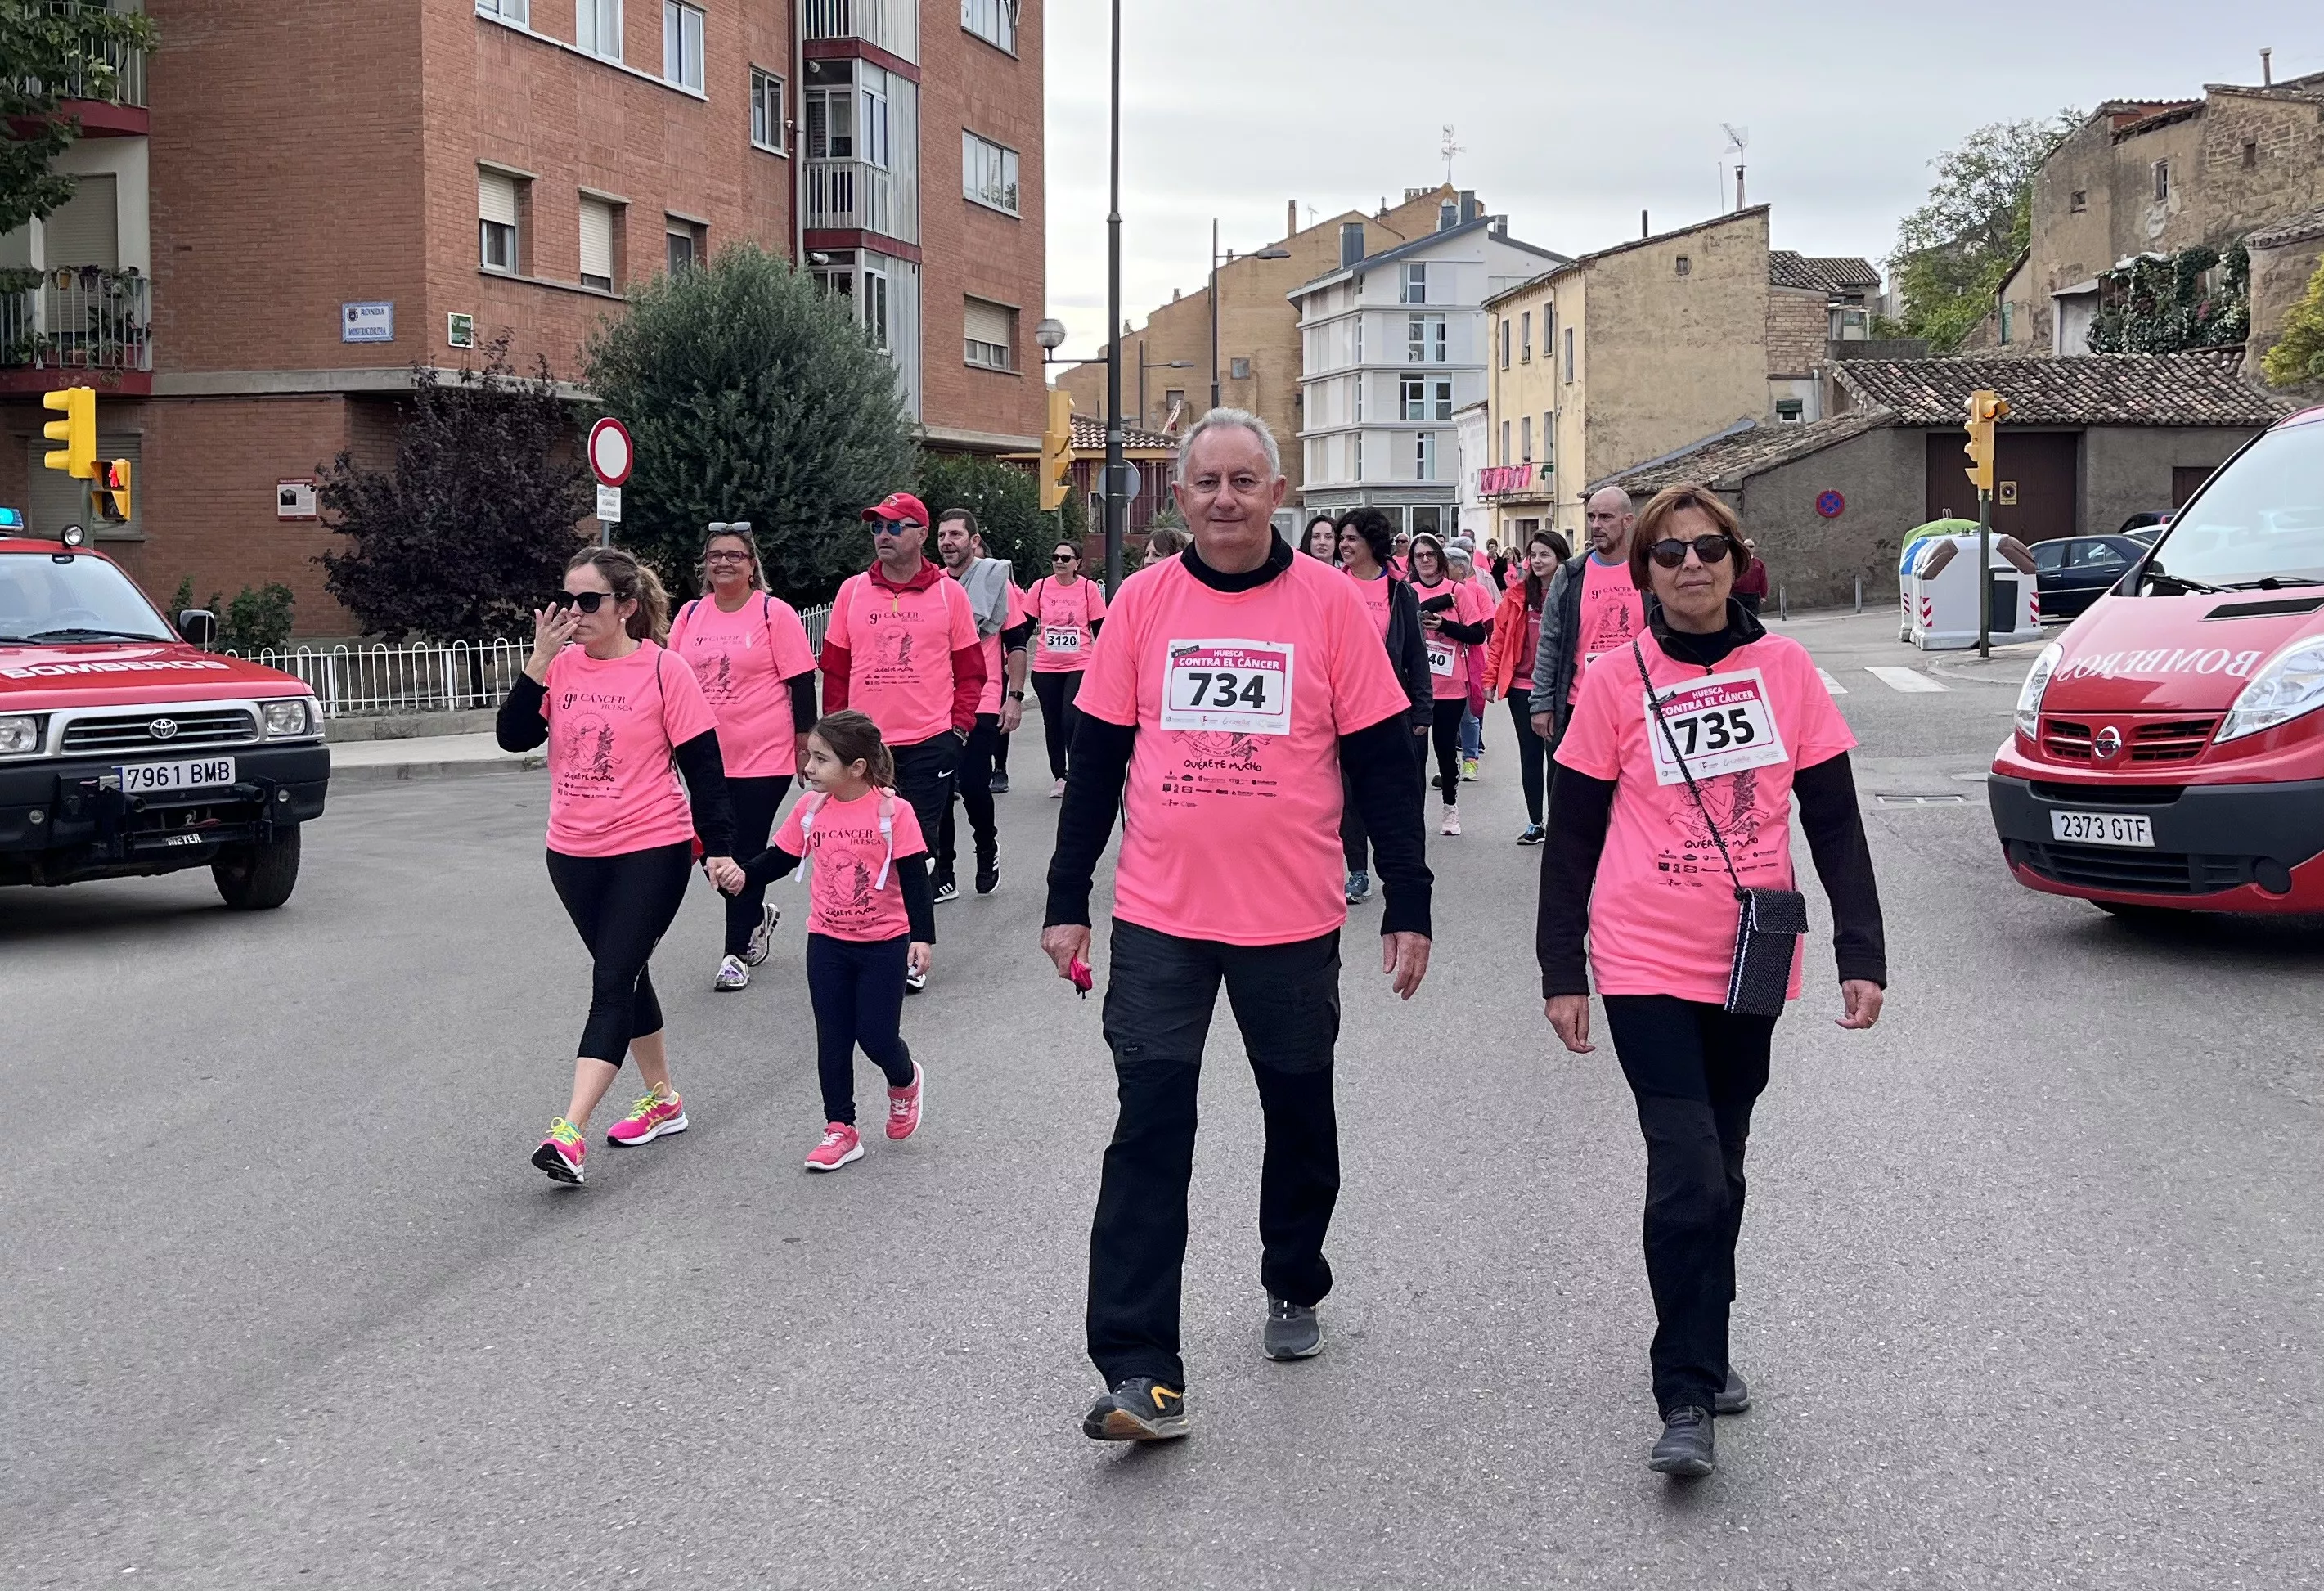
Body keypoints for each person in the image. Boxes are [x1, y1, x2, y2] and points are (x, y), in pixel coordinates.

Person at [1041, 409, 1433, 1443]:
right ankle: (1140, 1369)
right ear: (1179, 496)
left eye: (1244, 481)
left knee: (1299, 1113)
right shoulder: (1142, 603)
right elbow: (1096, 759)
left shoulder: (1332, 607)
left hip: (1292, 920)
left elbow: (1388, 767)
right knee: (1149, 1130)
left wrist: (1410, 899)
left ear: (1276, 490)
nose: (1224, 498)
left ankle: (1294, 1274)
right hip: (1162, 917)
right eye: (1206, 481)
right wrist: (1064, 898)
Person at [1537, 483, 1886, 1478]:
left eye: (1709, 548)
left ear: (1738, 561)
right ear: (1642, 571)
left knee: (1725, 1161)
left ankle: (1710, 1338)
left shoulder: (1786, 670)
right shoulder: (1614, 681)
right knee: (1686, 1163)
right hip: (1643, 953)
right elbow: (1574, 837)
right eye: (1669, 553)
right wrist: (1564, 966)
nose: (1691, 565)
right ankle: (1683, 1390)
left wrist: (1863, 950)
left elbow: (1833, 820)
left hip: (1753, 954)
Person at [496, 547, 742, 1188]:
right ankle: (663, 1099)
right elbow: (513, 736)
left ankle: (568, 1131)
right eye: (565, 599)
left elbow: (705, 770)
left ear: (626, 606)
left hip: (651, 846)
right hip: (572, 852)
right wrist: (540, 662)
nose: (571, 613)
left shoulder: (665, 671)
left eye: (588, 601)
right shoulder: (561, 668)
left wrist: (716, 846)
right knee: (627, 974)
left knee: (611, 981)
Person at [725, 710, 937, 1172]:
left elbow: (916, 876)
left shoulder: (893, 812)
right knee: (834, 1038)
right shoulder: (810, 810)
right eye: (809, 756)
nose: (809, 767)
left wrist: (922, 936)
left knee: (877, 1038)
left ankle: (904, 1080)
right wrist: (744, 876)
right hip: (827, 941)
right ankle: (840, 1128)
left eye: (821, 759)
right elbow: (780, 856)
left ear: (857, 767)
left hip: (884, 942)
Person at [819, 492, 985, 992]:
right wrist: (831, 737)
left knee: (915, 849)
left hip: (929, 741)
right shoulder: (852, 592)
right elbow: (835, 670)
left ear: (920, 533)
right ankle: (872, 941)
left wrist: (958, 731)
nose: (883, 536)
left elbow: (971, 671)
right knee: (868, 843)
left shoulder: (947, 594)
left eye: (894, 527)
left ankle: (914, 947)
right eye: (876, 528)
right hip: (865, 748)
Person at [667, 522, 818, 992]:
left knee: (741, 850)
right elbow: (668, 681)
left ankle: (735, 954)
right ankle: (755, 915)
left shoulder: (774, 613)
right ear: (705, 566)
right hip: (704, 758)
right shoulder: (691, 615)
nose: (724, 562)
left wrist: (803, 746)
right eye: (716, 555)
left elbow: (801, 683)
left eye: (735, 555)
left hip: (763, 757)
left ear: (752, 566)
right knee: (716, 852)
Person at [1336, 508, 1432, 905]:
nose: (1343, 545)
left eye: (1352, 538)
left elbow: (1415, 654)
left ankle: (1399, 873)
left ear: (1372, 543)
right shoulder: (1331, 586)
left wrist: (1422, 710)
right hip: (1340, 708)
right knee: (1348, 796)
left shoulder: (1399, 591)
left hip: (1390, 708)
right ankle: (1357, 871)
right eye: (1342, 538)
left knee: (1393, 794)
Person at [933, 510, 1029, 901]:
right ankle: (944, 869)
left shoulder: (995, 582)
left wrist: (1015, 697)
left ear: (974, 541)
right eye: (941, 536)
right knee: (939, 789)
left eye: (955, 534)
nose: (947, 542)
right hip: (937, 701)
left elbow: (1017, 643)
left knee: (973, 784)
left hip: (984, 698)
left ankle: (986, 847)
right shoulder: (933, 585)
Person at [1529, 487, 1644, 754]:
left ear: (1627, 521)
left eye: (1605, 517)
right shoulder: (1570, 574)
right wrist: (1542, 704)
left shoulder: (1650, 573)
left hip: (1638, 706)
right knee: (1573, 794)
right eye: (1591, 517)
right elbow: (1549, 643)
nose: (1596, 525)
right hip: (1579, 705)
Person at [1485, 528, 1569, 843]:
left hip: (1558, 687)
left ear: (1561, 559)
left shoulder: (1570, 595)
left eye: (1545, 555)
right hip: (1522, 687)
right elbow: (1499, 639)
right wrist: (1490, 679)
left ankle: (1559, 823)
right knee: (1530, 754)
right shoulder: (1517, 596)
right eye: (1533, 555)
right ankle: (1536, 823)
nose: (1537, 561)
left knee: (1557, 755)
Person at [1405, 532, 1491, 836]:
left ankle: (1450, 808)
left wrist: (1444, 626)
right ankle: (1413, 815)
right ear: (1413, 561)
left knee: (1444, 748)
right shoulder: (1406, 591)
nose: (1426, 560)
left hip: (1451, 684)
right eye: (1419, 556)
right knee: (1414, 753)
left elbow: (1478, 635)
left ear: (1440, 559)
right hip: (1414, 686)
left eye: (1430, 554)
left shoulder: (1458, 591)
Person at [1024, 537, 1108, 798]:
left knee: (1071, 719)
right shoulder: (1040, 587)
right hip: (1046, 667)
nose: (1059, 562)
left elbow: (1100, 628)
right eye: (1055, 557)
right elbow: (1025, 625)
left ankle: (1077, 772)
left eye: (1065, 558)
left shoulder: (1087, 589)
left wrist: (1107, 662)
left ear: (1077, 563)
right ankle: (1060, 777)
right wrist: (1011, 654)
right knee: (1053, 723)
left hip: (1080, 664)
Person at [1448, 541, 1490, 782]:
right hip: (1441, 664)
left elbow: (1486, 626)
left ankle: (1471, 761)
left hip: (1470, 658)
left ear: (1461, 569)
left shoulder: (1477, 591)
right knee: (1445, 718)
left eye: (1448, 565)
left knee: (1468, 715)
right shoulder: (1440, 590)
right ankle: (1448, 764)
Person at [1733, 538, 1769, 615]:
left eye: (1751, 546)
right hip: (1737, 594)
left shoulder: (1759, 563)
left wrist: (1763, 595)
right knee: (1738, 617)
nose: (1748, 548)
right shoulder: (1736, 561)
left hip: (1753, 595)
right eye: (1745, 546)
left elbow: (1763, 579)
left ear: (1754, 548)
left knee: (1752, 617)